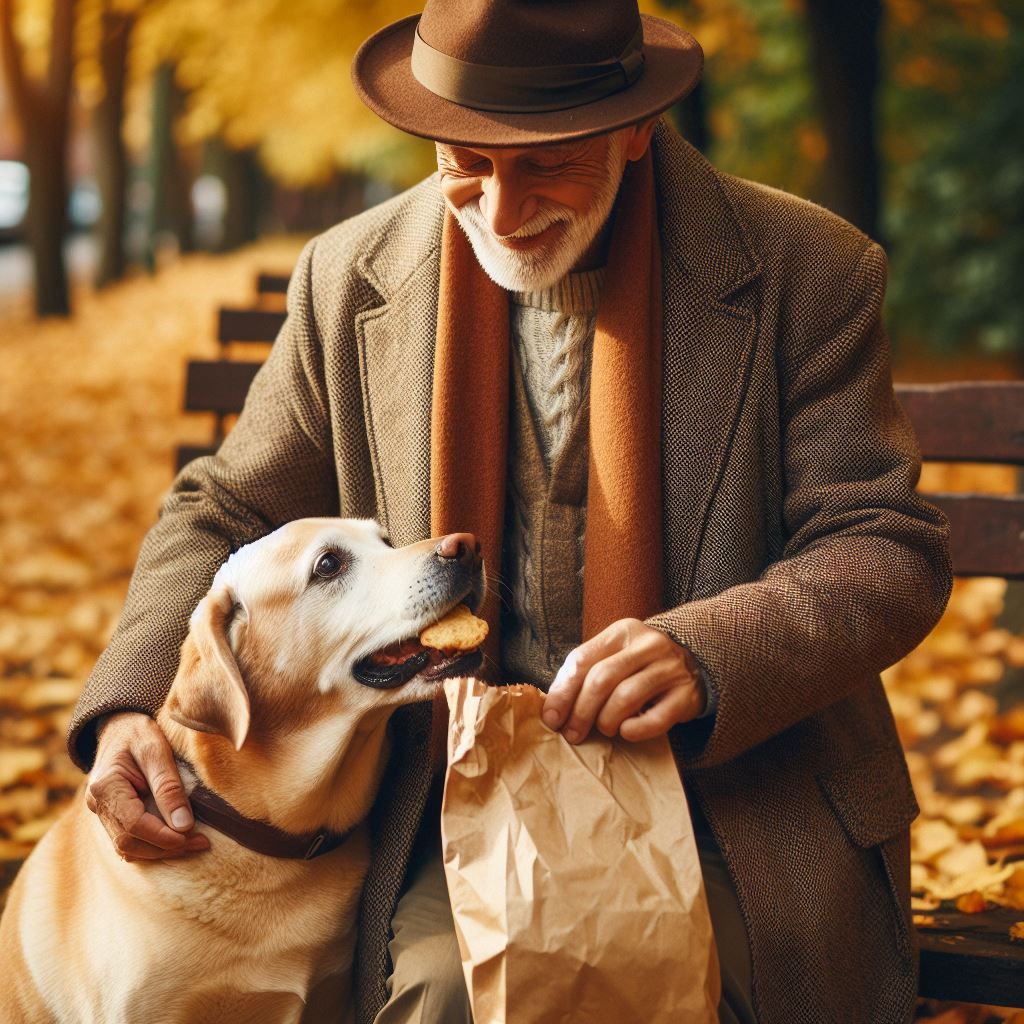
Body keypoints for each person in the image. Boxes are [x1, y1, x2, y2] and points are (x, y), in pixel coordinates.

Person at [68, 1, 953, 1022]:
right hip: (448, 793)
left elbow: (884, 546)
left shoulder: (810, 268)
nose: (499, 207)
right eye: (466, 162)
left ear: (634, 128)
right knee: (449, 993)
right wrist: (131, 703)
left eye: (545, 164)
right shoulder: (347, 277)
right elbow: (226, 509)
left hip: (740, 800)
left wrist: (707, 653)